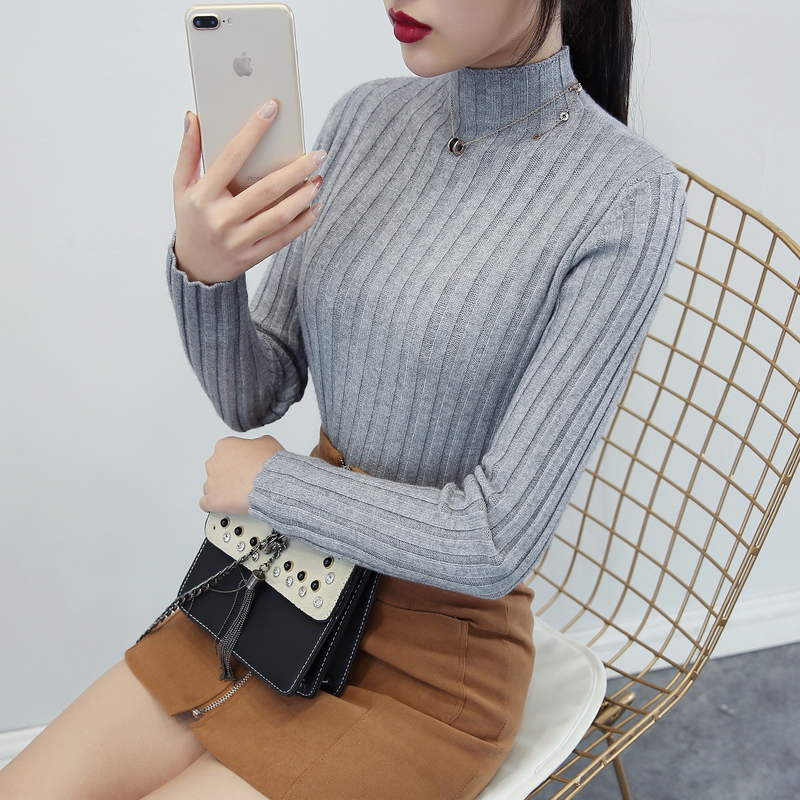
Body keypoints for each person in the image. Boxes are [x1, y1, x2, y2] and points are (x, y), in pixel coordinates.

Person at [0, 0, 686, 798]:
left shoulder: (628, 195)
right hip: (280, 589)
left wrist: (274, 485)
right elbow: (257, 394)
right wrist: (206, 273)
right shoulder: (365, 119)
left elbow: (493, 542)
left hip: (429, 672)